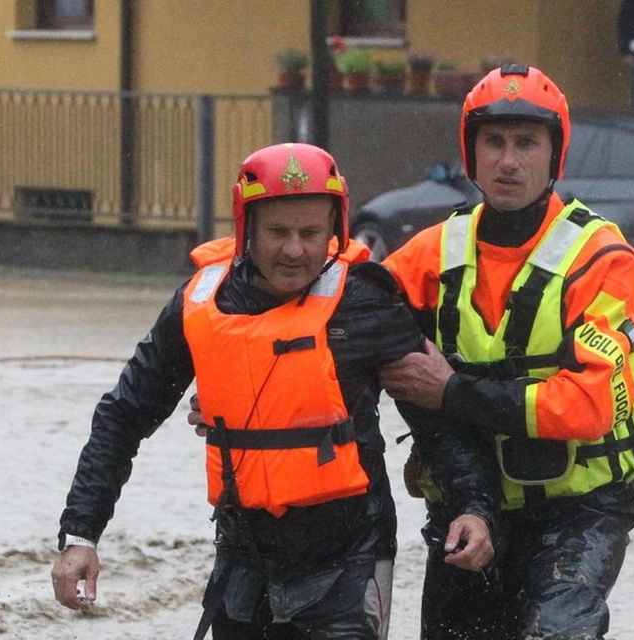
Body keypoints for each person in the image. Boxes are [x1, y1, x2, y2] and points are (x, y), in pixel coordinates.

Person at [51, 143, 496, 640]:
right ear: (246, 230)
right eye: (278, 232)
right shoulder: (200, 304)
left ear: (334, 230)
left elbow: (432, 420)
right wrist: (81, 535)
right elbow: (123, 416)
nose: (295, 250)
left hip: (349, 555)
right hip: (245, 561)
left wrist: (472, 507)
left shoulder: (365, 303)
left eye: (311, 233)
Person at [378, 64, 634, 639]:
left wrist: (453, 391)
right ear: (472, 151)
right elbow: (343, 326)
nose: (508, 161)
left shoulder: (605, 262)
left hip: (579, 510)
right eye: (494, 142)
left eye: (526, 143)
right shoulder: (429, 254)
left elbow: (588, 407)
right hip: (469, 505)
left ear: (554, 154)